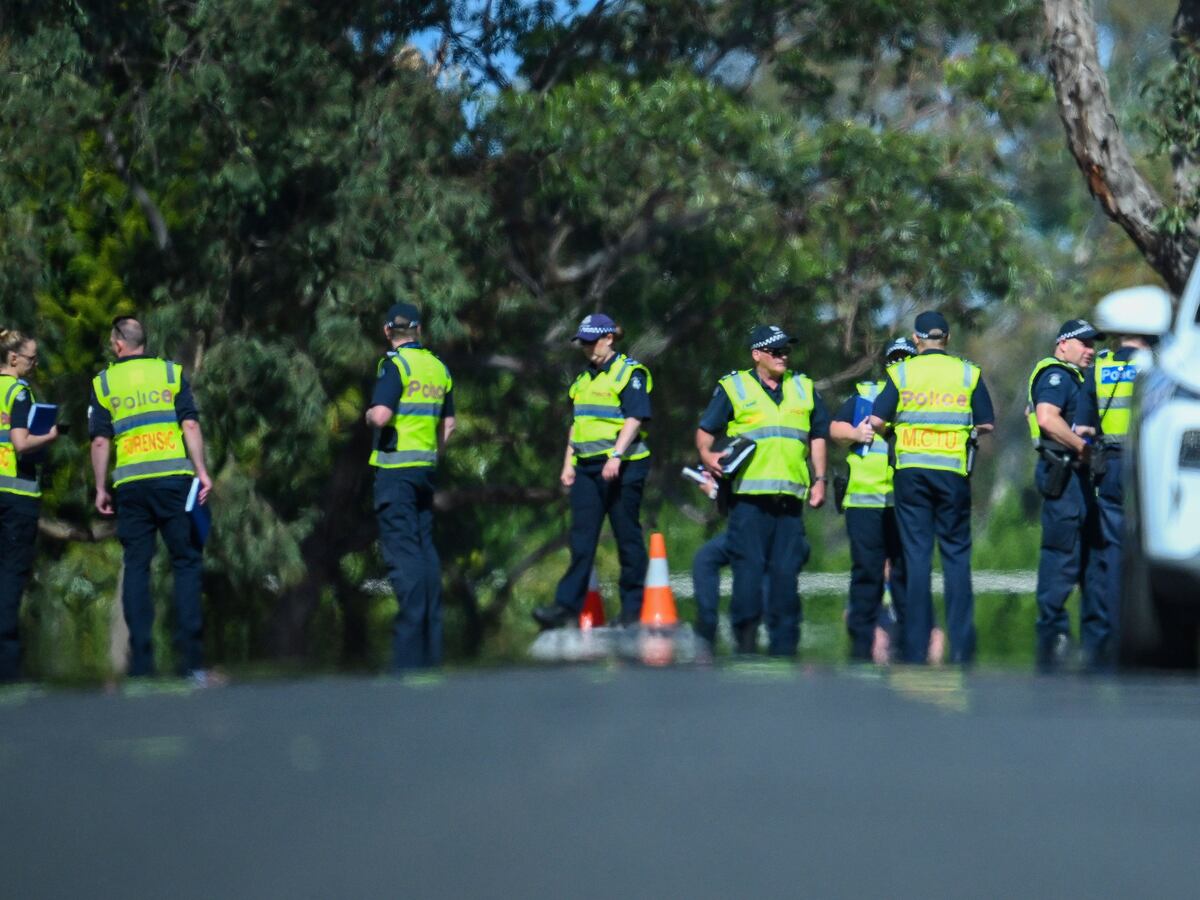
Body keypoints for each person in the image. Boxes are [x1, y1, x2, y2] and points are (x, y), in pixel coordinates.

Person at [89, 316, 213, 679]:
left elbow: (99, 439)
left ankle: (141, 661)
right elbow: (189, 423)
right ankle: (190, 660)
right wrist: (201, 471)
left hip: (131, 486)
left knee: (138, 565)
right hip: (174, 481)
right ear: (143, 341)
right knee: (186, 563)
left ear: (118, 345)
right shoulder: (171, 373)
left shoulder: (104, 382)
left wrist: (100, 487)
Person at [869, 311, 994, 665]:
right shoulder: (968, 372)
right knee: (956, 558)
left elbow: (877, 420)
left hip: (911, 475)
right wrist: (964, 434)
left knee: (917, 558)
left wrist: (895, 433)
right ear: (948, 339)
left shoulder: (902, 372)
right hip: (953, 474)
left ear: (916, 339)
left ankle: (916, 645)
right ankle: (961, 646)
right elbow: (986, 422)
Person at [696, 324, 828, 656]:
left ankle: (785, 647)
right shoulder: (734, 387)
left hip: (789, 502)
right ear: (757, 355)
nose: (784, 356)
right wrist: (706, 455)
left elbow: (818, 435)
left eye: (786, 350)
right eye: (776, 350)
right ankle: (745, 644)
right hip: (749, 503)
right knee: (748, 576)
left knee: (785, 578)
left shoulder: (804, 387)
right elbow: (705, 431)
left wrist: (820, 479)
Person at [534, 314, 652, 629]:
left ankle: (632, 610)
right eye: (582, 343)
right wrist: (567, 464)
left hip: (623, 467)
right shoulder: (583, 380)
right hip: (587, 468)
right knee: (581, 539)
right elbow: (578, 424)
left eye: (591, 341)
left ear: (609, 338)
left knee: (627, 537)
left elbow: (636, 417)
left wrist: (616, 455)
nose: (586, 348)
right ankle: (565, 608)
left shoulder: (630, 374)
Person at [365, 302, 455, 669]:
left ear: (388, 332)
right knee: (425, 551)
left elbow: (382, 415)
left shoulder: (395, 366)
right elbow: (449, 425)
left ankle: (407, 657)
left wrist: (370, 414)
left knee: (403, 556)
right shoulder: (438, 367)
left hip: (395, 473)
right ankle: (431, 651)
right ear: (418, 330)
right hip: (424, 470)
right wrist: (434, 454)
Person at [1026, 319, 1107, 670]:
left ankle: (1092, 644)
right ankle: (1054, 640)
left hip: (1080, 484)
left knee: (1088, 564)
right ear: (1063, 344)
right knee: (1060, 561)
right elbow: (1047, 418)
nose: (1090, 350)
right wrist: (1082, 448)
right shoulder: (1056, 376)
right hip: (1065, 477)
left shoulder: (1078, 378)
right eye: (1083, 343)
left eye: (1093, 344)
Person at [830, 337, 913, 662]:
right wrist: (855, 434)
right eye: (894, 359)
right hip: (864, 503)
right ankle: (861, 646)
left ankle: (909, 642)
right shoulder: (866, 396)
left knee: (906, 573)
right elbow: (834, 428)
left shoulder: (920, 400)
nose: (899, 364)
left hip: (903, 504)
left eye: (905, 358)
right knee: (867, 573)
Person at [1085, 323, 1154, 646]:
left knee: (1111, 549)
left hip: (1108, 465)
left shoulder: (1100, 366)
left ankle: (1111, 630)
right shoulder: (1158, 363)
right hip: (1146, 466)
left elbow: (1083, 422)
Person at [0, 329, 60, 680]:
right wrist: (50, 435)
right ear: (13, 359)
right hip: (15, 497)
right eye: (31, 358)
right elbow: (21, 444)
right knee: (10, 576)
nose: (35, 365)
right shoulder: (19, 392)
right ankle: (8, 668)